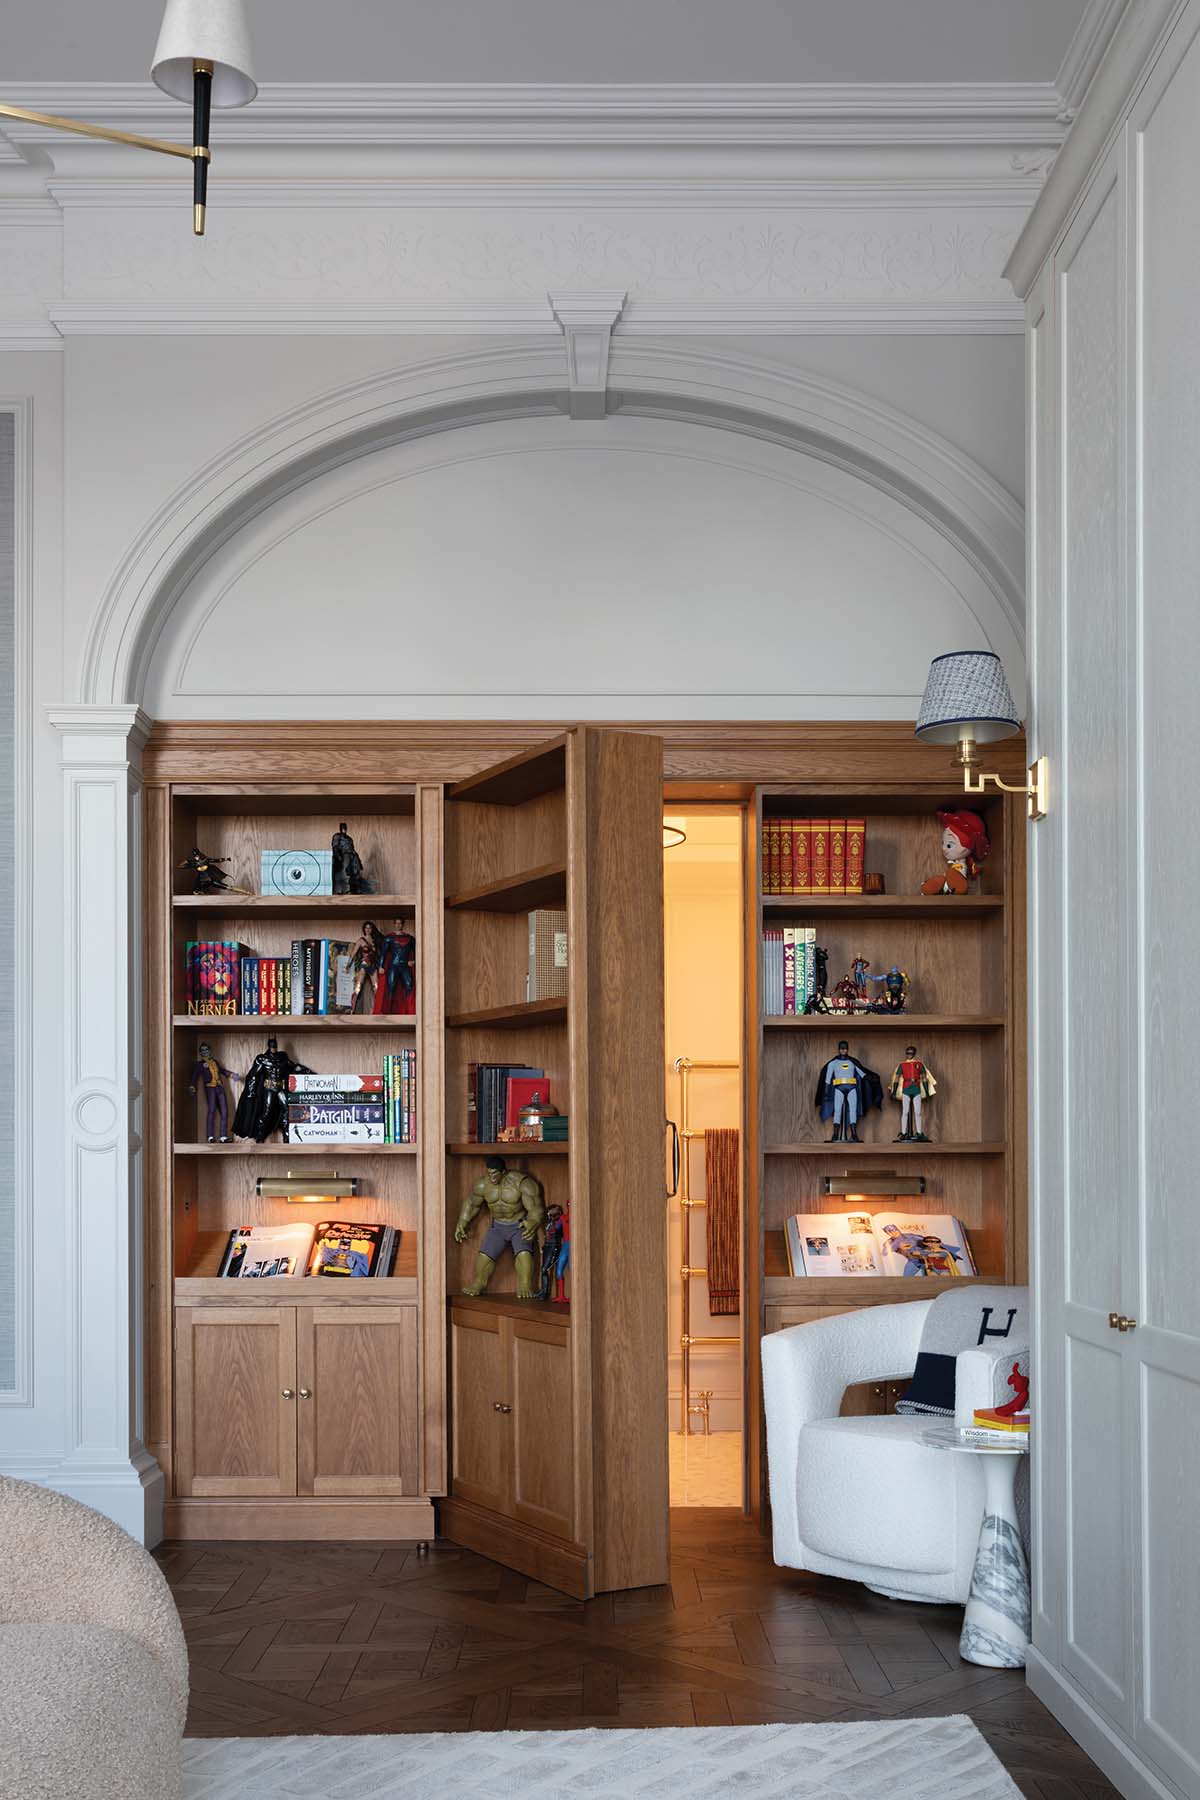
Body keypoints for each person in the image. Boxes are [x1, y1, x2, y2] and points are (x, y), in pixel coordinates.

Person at [454, 1156, 547, 1297]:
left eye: (495, 1174)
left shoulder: (521, 1183)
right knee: (485, 1256)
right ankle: (479, 1283)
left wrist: (533, 1221)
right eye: (489, 1173)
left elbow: (536, 1207)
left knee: (524, 1254)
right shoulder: (483, 1184)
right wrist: (462, 1221)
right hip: (497, 1226)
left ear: (503, 1172)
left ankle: (525, 1285)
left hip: (519, 1225)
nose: (492, 1177)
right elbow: (472, 1203)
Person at [814, 1041, 882, 1143]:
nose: (843, 1050)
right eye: (841, 1048)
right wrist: (827, 1092)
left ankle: (854, 1134)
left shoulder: (852, 1062)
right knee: (837, 1110)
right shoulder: (833, 1063)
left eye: (845, 1048)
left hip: (852, 1089)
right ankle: (835, 1134)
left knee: (853, 1110)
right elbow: (827, 1079)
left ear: (847, 1049)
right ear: (839, 1049)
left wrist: (873, 1079)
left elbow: (862, 1074)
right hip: (838, 1089)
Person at [889, 1046, 937, 1141]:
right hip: (906, 1089)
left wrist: (927, 1091)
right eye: (907, 1053)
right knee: (905, 1112)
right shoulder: (902, 1065)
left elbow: (924, 1078)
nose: (909, 1055)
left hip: (916, 1089)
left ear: (914, 1053)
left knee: (918, 1112)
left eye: (911, 1053)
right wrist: (894, 1091)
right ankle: (903, 1132)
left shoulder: (919, 1064)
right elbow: (897, 1078)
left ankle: (919, 1132)